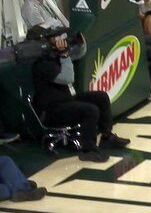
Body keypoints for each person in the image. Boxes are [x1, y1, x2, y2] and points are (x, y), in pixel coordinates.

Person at [31, 30, 129, 162]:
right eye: (56, 39)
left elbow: (79, 53)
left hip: (65, 101)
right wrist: (64, 56)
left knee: (101, 97)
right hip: (52, 110)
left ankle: (107, 137)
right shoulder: (42, 64)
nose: (60, 41)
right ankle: (88, 151)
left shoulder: (54, 56)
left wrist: (80, 41)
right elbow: (67, 78)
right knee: (90, 110)